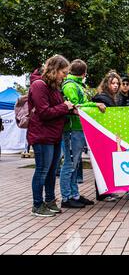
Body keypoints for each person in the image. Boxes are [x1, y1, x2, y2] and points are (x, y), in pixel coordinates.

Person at [28, 55, 74, 217]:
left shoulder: (53, 87)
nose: (65, 76)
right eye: (64, 72)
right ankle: (37, 205)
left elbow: (56, 109)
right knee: (42, 170)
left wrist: (69, 108)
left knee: (51, 170)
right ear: (55, 70)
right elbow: (44, 112)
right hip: (42, 135)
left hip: (54, 135)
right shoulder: (39, 86)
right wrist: (64, 106)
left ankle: (50, 201)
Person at [59, 59, 105, 209]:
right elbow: (75, 106)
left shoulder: (76, 84)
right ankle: (66, 198)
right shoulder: (71, 85)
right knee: (70, 164)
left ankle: (75, 195)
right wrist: (94, 104)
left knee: (75, 163)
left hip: (78, 128)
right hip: (73, 128)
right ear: (84, 73)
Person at [92, 70, 122, 201]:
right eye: (113, 83)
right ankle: (102, 193)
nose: (115, 85)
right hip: (102, 135)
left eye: (117, 83)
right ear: (106, 84)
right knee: (102, 163)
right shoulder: (101, 98)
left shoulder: (113, 97)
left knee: (109, 164)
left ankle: (107, 191)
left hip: (109, 134)